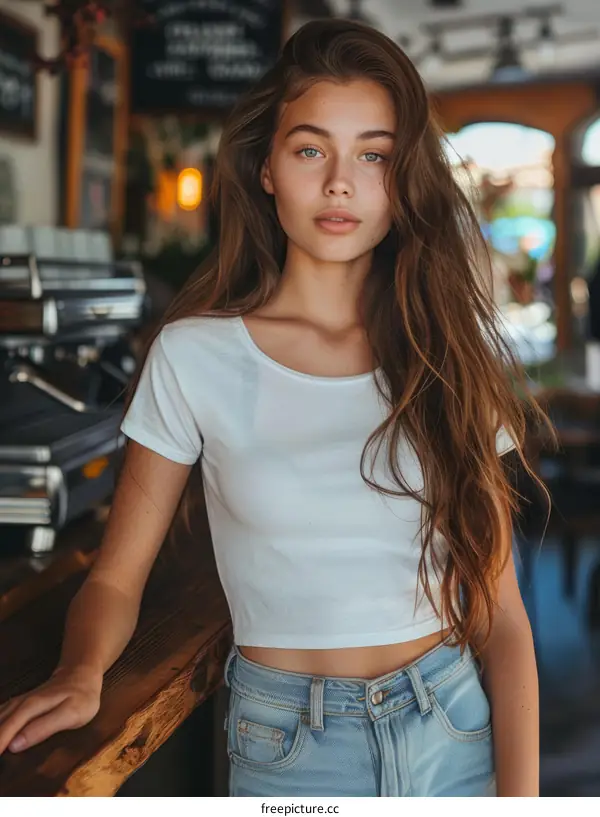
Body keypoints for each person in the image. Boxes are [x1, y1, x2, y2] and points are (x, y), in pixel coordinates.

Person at [0, 19, 554, 797]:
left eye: (374, 155)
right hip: (289, 742)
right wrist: (80, 669)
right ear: (266, 168)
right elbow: (117, 580)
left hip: (451, 723)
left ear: (403, 180)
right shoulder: (195, 356)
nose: (339, 182)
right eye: (310, 149)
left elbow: (501, 617)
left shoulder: (445, 355)